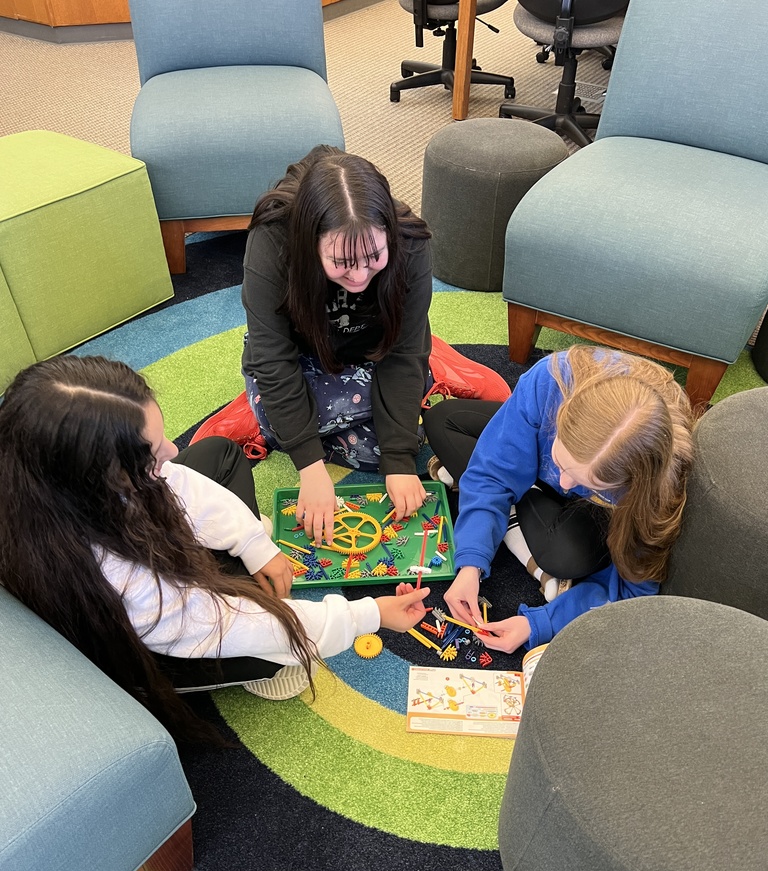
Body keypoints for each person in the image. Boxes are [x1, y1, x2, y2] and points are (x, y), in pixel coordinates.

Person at [0, 356, 430, 744]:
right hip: (147, 641)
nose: (173, 450)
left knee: (219, 454)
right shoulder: (122, 579)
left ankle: (236, 562)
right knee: (275, 652)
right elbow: (235, 623)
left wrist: (252, 543)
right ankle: (256, 669)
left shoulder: (57, 480)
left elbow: (178, 481)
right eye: (152, 455)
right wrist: (368, 615)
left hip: (151, 559)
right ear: (99, 481)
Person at [193, 145, 510, 549]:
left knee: (389, 452)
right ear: (310, 243)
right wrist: (309, 467)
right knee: (292, 429)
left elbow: (402, 355)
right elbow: (273, 358)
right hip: (302, 355)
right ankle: (259, 410)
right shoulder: (273, 240)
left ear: (388, 233)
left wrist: (399, 460)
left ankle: (432, 355)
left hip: (375, 349)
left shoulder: (410, 240)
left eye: (374, 256)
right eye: (341, 262)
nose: (359, 276)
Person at [423, 346, 695, 654]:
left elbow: (633, 594)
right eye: (560, 460)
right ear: (561, 416)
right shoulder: (551, 380)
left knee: (565, 558)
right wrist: (471, 562)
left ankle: (513, 503)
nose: (564, 482)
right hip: (538, 456)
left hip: (582, 515)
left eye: (587, 481)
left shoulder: (657, 487)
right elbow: (492, 472)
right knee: (443, 420)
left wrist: (540, 623)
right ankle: (520, 492)